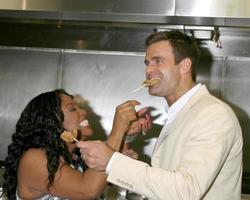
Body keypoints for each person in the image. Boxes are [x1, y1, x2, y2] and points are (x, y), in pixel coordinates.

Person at [76, 30, 243, 200]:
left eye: (158, 61)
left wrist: (112, 161)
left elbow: (186, 191)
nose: (148, 70)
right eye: (147, 63)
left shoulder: (213, 114)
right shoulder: (181, 112)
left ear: (185, 66)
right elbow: (171, 178)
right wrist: (129, 162)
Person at [2, 89, 151, 200]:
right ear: (51, 121)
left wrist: (126, 134)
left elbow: (105, 179)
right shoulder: (34, 159)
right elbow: (87, 190)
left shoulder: (77, 158)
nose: (83, 112)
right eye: (73, 108)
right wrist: (118, 129)